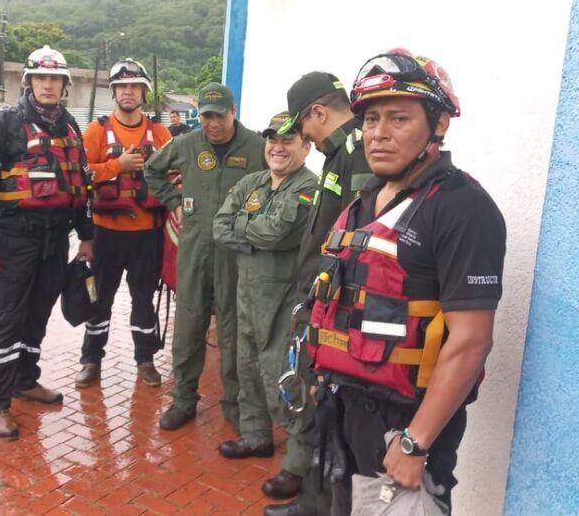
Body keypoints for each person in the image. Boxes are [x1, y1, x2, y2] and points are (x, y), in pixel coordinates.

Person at [303, 49, 506, 515]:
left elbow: (471, 342)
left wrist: (416, 443)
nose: (379, 133)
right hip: (345, 406)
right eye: (371, 120)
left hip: (406, 424)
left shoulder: (463, 208)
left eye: (399, 118)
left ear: (439, 124)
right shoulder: (364, 201)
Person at [0, 45, 94, 441]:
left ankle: (26, 380)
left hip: (56, 239)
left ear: (64, 85)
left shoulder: (71, 126)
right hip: (15, 236)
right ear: (28, 82)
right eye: (40, 77)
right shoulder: (4, 123)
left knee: (39, 315)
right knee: (9, 318)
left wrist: (86, 237)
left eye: (55, 78)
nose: (47, 84)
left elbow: (81, 184)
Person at [265, 71, 372, 515]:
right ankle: (312, 501)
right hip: (322, 298)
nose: (304, 137)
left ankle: (319, 505)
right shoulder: (340, 152)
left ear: (318, 112)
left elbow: (362, 238)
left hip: (339, 305)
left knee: (328, 408)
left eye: (303, 126)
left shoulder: (359, 151)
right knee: (318, 401)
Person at [144, 82, 266, 432]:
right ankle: (183, 400)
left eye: (219, 115)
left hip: (236, 254)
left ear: (234, 112)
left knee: (234, 331)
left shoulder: (257, 146)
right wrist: (174, 201)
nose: (213, 123)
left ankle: (235, 403)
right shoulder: (186, 144)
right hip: (195, 250)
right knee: (188, 329)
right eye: (206, 116)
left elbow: (275, 181)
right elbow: (152, 169)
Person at [213, 112, 318, 500]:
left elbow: (276, 233)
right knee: (247, 366)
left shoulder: (309, 187)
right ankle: (256, 436)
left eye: (288, 140)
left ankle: (297, 462)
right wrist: (252, 227)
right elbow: (219, 228)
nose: (277, 146)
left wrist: (246, 226)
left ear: (306, 147)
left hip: (285, 296)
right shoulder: (252, 182)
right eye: (272, 139)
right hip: (246, 290)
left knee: (284, 374)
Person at [76, 58, 172, 388]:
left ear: (144, 92)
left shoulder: (160, 133)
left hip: (147, 234)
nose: (128, 92)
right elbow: (81, 175)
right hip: (107, 233)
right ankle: (91, 359)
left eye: (134, 86)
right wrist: (117, 164)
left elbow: (175, 176)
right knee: (99, 299)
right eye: (122, 87)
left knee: (144, 298)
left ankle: (145, 359)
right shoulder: (95, 131)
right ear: (114, 92)